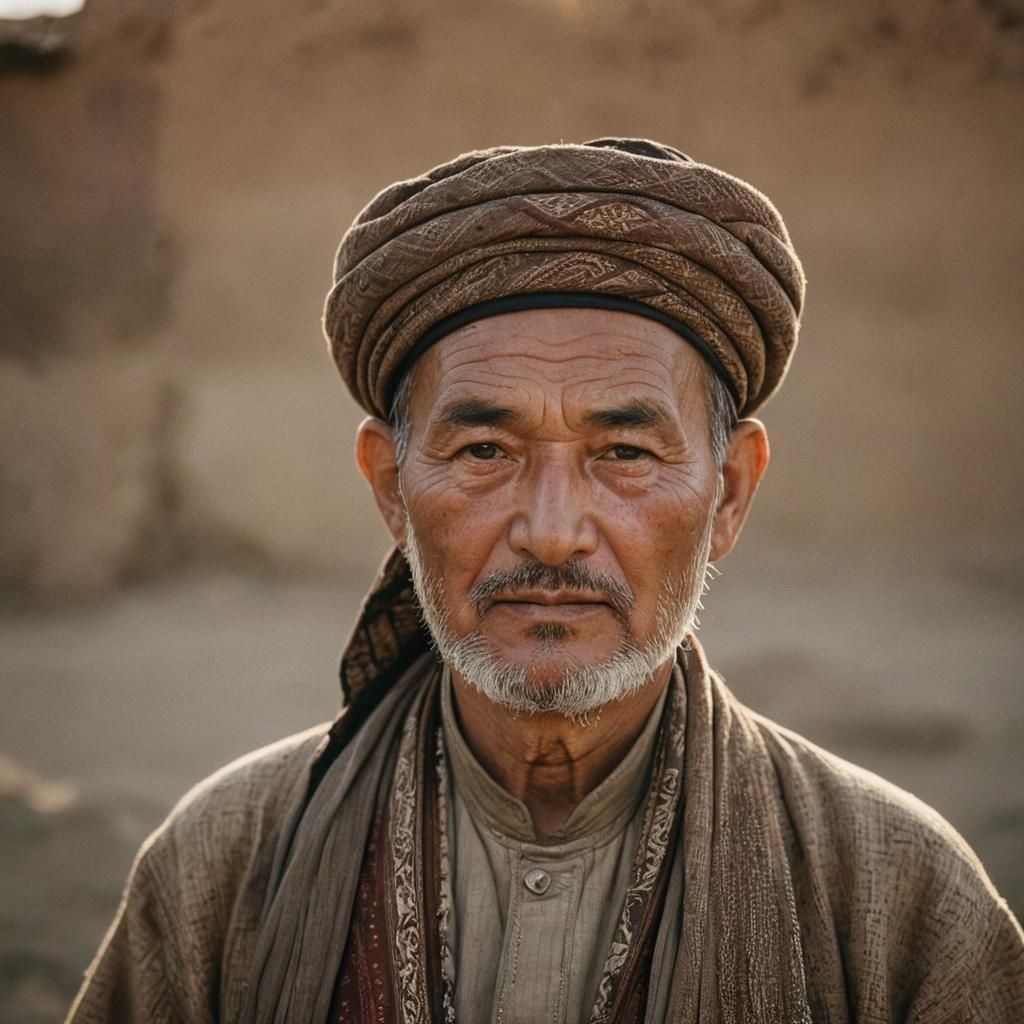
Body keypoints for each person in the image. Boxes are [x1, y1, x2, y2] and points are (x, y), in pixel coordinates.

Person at [67, 139, 1023, 1024]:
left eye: (624, 451)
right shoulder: (224, 866)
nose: (555, 534)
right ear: (392, 488)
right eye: (485, 448)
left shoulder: (902, 898)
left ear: (729, 492)